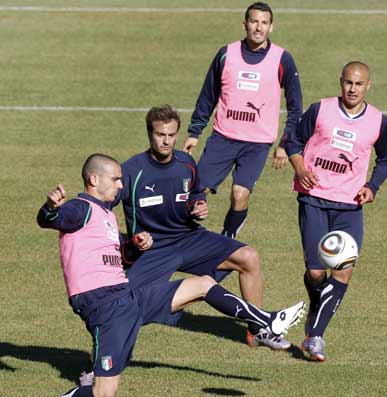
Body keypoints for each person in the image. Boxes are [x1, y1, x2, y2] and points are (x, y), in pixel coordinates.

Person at [5, 153, 305, 397]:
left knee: (201, 284)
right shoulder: (81, 208)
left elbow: (120, 260)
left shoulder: (106, 216)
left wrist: (135, 247)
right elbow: (50, 219)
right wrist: (50, 207)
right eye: (117, 179)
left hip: (126, 296)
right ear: (94, 179)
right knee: (103, 393)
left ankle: (267, 320)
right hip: (104, 307)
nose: (122, 185)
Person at [116, 104, 293, 351]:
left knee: (249, 257)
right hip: (152, 250)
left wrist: (197, 205)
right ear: (149, 134)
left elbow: (195, 193)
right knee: (122, 308)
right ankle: (103, 367)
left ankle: (259, 330)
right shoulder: (131, 171)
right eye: (160, 135)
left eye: (171, 135)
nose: (166, 141)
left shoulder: (186, 163)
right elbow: (104, 205)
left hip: (189, 238)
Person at [286, 61, 387, 362]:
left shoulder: (378, 121)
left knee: (343, 269)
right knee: (316, 271)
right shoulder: (320, 110)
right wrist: (300, 167)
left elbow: (386, 158)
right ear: (341, 82)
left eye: (359, 84)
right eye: (348, 83)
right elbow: (292, 140)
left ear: (368, 86)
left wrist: (372, 186)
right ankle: (317, 307)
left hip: (349, 205)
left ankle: (316, 336)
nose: (352, 89)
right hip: (314, 198)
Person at [183, 1, 302, 239]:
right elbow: (208, 94)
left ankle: (228, 238)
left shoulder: (282, 59)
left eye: (264, 23)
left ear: (272, 27)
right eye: (254, 21)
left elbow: (295, 107)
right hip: (223, 138)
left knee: (240, 194)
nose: (259, 27)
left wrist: (285, 144)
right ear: (244, 24)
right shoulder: (226, 54)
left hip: (257, 145)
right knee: (196, 192)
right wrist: (195, 132)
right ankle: (187, 238)